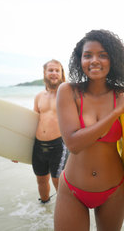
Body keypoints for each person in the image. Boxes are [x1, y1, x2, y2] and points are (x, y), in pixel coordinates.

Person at [54, 30, 124, 231]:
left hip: (115, 190)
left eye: (103, 55)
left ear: (113, 60)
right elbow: (74, 144)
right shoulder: (68, 91)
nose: (94, 60)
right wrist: (115, 112)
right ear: (80, 60)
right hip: (73, 189)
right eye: (88, 55)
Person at [32, 59, 69, 204]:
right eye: (51, 70)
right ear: (45, 73)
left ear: (61, 74)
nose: (54, 73)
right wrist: (16, 150)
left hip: (59, 145)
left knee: (58, 182)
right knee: (41, 180)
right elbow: (32, 122)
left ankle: (65, 214)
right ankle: (43, 211)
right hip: (39, 146)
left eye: (57, 70)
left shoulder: (67, 94)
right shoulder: (39, 97)